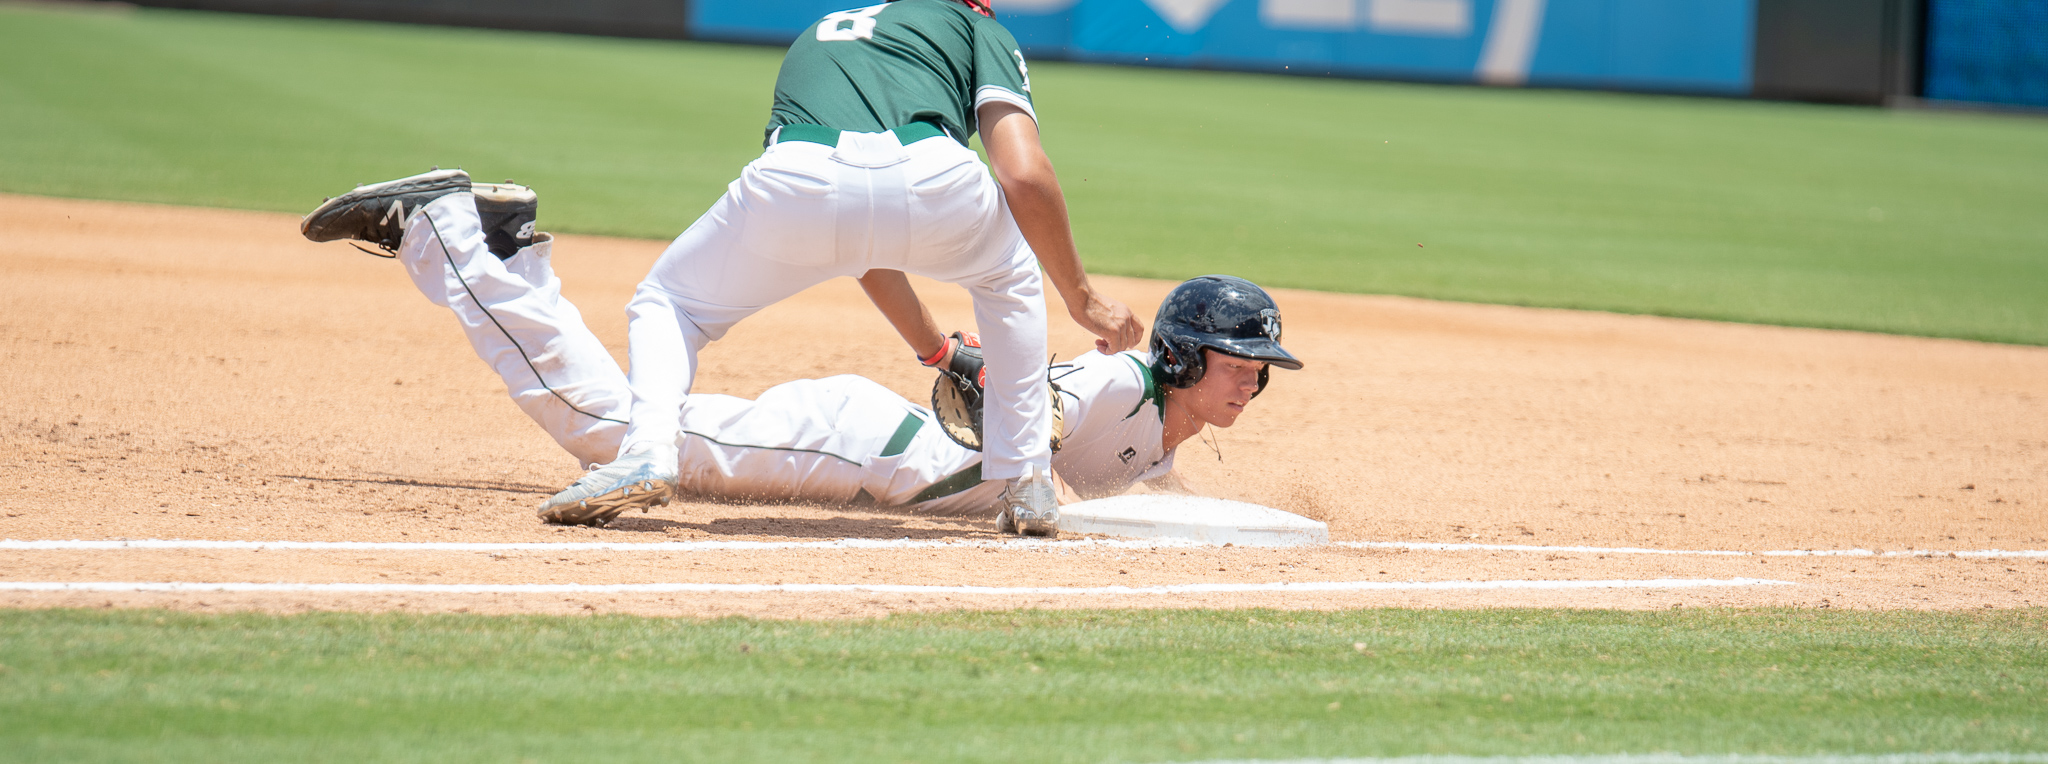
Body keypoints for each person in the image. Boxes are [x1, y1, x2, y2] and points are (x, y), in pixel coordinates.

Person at [299, 181, 1299, 526]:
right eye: (1236, 361)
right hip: (864, 446)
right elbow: (1027, 408)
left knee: (616, 424)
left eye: (1257, 366)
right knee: (607, 431)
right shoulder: (1115, 383)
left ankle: (502, 244)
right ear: (1178, 358)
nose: (1251, 378)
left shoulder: (1157, 434)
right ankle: (457, 236)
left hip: (878, 449)